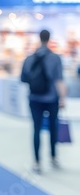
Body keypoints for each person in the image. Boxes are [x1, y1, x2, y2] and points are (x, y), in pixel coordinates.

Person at [21, 29, 67, 174]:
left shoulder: (29, 58)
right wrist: (63, 98)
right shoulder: (55, 58)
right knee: (53, 127)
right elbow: (59, 80)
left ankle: (37, 162)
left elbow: (23, 78)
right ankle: (53, 157)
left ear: (39, 38)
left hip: (34, 98)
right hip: (51, 98)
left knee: (36, 128)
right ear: (49, 38)